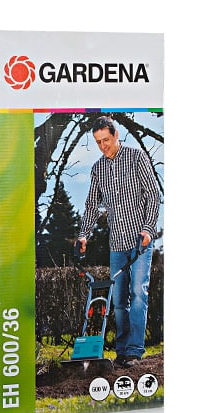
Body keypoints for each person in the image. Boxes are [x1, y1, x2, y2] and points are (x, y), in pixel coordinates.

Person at [76, 116, 161, 367]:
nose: (103, 146)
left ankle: (134, 350)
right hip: (117, 243)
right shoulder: (98, 169)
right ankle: (122, 352)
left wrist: (148, 229)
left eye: (106, 140)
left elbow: (153, 195)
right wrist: (83, 234)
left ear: (116, 135)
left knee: (138, 293)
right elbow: (92, 205)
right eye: (98, 142)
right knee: (118, 300)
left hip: (140, 241)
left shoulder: (136, 157)